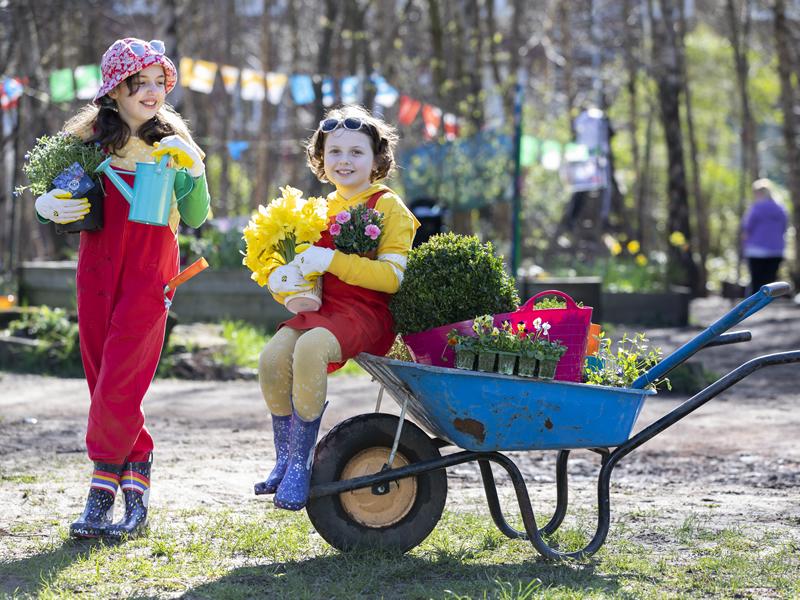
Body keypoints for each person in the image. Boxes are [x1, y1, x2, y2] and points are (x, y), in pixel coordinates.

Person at [33, 38, 211, 539]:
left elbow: (196, 217)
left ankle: (101, 491)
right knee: (100, 376)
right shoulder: (89, 141)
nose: (154, 92)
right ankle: (137, 475)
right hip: (96, 269)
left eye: (161, 82)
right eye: (142, 82)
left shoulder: (174, 143)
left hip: (151, 273)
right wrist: (48, 205)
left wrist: (194, 172)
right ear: (115, 89)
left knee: (119, 383)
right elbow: (54, 191)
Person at [256, 105, 419, 510]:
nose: (344, 161)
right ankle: (284, 457)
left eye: (356, 152)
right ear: (320, 160)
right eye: (334, 153)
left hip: (369, 313)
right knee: (273, 358)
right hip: (321, 310)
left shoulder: (388, 207)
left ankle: (302, 464)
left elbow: (393, 278)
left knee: (310, 348)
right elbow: (303, 275)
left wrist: (331, 261)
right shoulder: (315, 209)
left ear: (378, 159)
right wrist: (283, 283)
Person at [741, 179, 788, 296]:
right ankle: (767, 305)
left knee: (756, 281)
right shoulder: (780, 208)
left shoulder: (756, 208)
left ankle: (755, 308)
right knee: (769, 280)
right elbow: (784, 227)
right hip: (776, 249)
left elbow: (748, 227)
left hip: (756, 250)